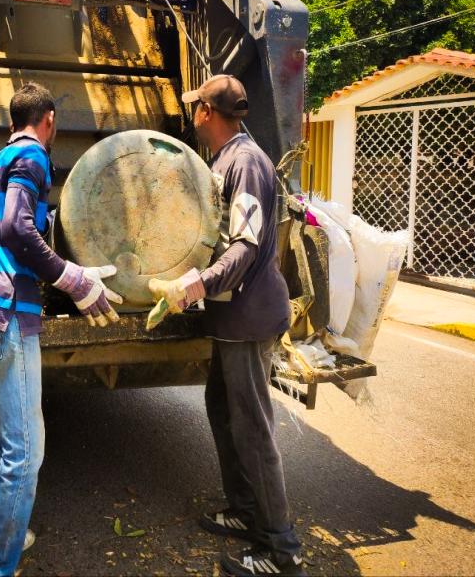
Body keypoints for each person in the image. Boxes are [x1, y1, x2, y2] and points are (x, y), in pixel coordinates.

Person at [0, 82, 122, 577]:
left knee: (9, 439)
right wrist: (74, 280)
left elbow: (12, 227)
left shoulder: (2, 157)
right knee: (27, 451)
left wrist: (71, 267)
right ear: (49, 118)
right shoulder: (33, 155)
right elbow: (17, 227)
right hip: (9, 313)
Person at [148, 75, 305, 577]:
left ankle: (280, 551)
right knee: (222, 408)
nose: (192, 113)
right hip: (231, 316)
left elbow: (246, 246)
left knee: (253, 430)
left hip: (249, 318)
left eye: (195, 106)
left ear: (207, 113)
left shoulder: (246, 163)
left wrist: (197, 284)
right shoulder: (222, 161)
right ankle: (245, 511)